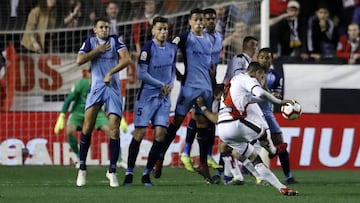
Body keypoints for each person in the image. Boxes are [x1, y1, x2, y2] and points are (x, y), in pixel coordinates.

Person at [200, 61, 299, 196]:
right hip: (234, 123)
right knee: (262, 130)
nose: (261, 80)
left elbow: (250, 98)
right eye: (262, 77)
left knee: (255, 159)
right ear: (257, 73)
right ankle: (272, 150)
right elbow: (260, 93)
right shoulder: (248, 79)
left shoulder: (234, 81)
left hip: (223, 130)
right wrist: (280, 102)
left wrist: (268, 98)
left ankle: (282, 188)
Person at [154, 8, 216, 184]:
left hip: (206, 89)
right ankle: (159, 158)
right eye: (195, 19)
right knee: (175, 124)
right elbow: (169, 52)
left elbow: (209, 66)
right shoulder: (184, 37)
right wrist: (177, 74)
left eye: (200, 19)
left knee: (203, 124)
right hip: (189, 89)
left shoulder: (210, 40)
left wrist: (213, 84)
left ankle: (203, 164)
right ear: (189, 21)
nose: (198, 22)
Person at [75, 17, 131, 187]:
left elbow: (127, 59)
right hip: (96, 88)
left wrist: (111, 72)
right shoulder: (90, 42)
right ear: (95, 29)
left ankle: (112, 171)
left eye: (107, 27)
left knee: (114, 128)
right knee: (87, 127)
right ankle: (82, 168)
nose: (105, 29)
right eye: (102, 27)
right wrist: (97, 51)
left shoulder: (116, 40)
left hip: (113, 88)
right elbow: (80, 60)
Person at [122, 16, 177, 187]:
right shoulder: (147, 48)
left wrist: (171, 85)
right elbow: (141, 74)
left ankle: (146, 174)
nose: (163, 32)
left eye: (165, 29)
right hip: (147, 97)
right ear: (153, 30)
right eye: (159, 29)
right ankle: (129, 172)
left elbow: (173, 69)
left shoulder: (172, 48)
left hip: (164, 98)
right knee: (139, 134)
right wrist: (162, 84)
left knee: (160, 135)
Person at [53, 69, 128, 167]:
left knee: (111, 131)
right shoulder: (81, 84)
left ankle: (119, 159)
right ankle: (78, 157)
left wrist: (120, 118)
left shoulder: (103, 84)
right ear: (88, 74)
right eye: (92, 73)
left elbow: (110, 101)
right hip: (79, 111)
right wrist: (62, 115)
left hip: (96, 111)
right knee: (70, 131)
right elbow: (69, 99)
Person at [180, 8, 223, 173]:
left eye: (213, 18)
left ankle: (208, 156)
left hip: (211, 82)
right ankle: (186, 153)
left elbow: (214, 63)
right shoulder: (198, 38)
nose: (210, 21)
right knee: (198, 116)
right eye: (207, 19)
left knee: (207, 119)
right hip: (198, 82)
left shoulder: (218, 37)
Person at [257, 48, 298, 184]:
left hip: (267, 113)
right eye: (262, 57)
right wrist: (269, 94)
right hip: (252, 113)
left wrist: (271, 94)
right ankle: (226, 174)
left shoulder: (276, 76)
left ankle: (288, 176)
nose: (264, 60)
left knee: (280, 143)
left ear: (271, 59)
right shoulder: (251, 74)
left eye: (267, 57)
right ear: (258, 58)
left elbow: (278, 95)